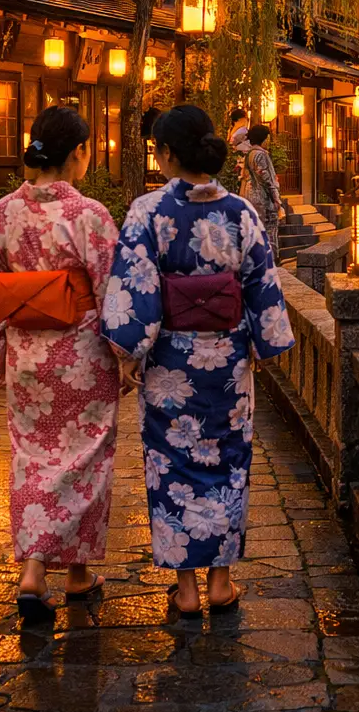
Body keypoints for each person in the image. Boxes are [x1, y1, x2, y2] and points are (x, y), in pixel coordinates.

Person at [102, 105, 295, 617]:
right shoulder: (240, 213)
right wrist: (263, 340)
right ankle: (220, 583)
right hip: (228, 361)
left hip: (170, 364)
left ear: (166, 153)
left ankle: (185, 589)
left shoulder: (148, 212)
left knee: (172, 466)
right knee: (228, 460)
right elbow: (261, 282)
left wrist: (128, 353)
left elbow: (136, 287)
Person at [0, 106, 121, 623]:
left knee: (32, 458)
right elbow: (112, 292)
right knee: (84, 462)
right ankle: (55, 571)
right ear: (79, 152)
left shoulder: (5, 212)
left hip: (27, 360)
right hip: (81, 358)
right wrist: (126, 357)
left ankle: (56, 573)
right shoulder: (90, 215)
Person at [243, 125, 282, 251]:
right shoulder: (261, 155)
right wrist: (276, 199)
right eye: (268, 138)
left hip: (251, 196)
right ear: (264, 139)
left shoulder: (250, 154)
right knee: (269, 230)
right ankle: (270, 259)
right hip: (264, 198)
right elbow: (267, 179)